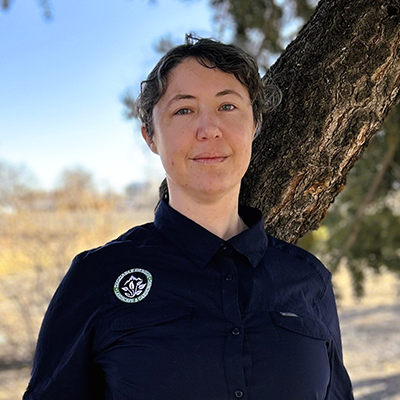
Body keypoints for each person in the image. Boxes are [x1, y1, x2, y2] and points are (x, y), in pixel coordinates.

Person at [23, 35, 354, 400]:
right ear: (151, 135)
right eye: (184, 110)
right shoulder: (97, 277)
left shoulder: (309, 280)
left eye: (227, 106)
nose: (209, 128)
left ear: (255, 126)